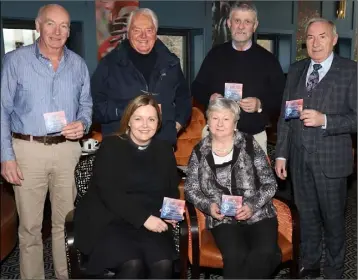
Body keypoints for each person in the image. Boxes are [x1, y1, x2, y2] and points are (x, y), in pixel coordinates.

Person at [0, 4, 92, 279]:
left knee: (66, 223)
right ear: (37, 26)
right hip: (27, 151)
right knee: (30, 227)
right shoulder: (15, 61)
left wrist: (83, 123)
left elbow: (86, 105)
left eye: (64, 26)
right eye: (50, 24)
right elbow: (2, 110)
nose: (57, 31)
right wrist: (6, 156)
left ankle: (65, 274)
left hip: (67, 151)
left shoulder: (78, 64)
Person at [275, 18, 357, 279]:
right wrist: (281, 154)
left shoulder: (351, 71)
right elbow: (285, 117)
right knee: (307, 220)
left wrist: (326, 121)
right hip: (299, 161)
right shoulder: (297, 70)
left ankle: (334, 272)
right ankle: (309, 266)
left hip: (332, 163)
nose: (316, 42)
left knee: (333, 223)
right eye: (310, 37)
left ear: (333, 40)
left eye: (322, 36)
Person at [74, 95, 180, 278]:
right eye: (138, 118)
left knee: (163, 264)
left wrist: (171, 213)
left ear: (158, 123)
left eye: (151, 119)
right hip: (111, 221)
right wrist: (144, 218)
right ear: (129, 121)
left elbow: (172, 188)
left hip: (151, 222)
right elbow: (108, 192)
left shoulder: (164, 150)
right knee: (133, 264)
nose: (145, 125)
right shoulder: (111, 146)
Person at [184, 98, 281, 279]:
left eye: (226, 119)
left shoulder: (250, 144)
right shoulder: (199, 151)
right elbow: (191, 189)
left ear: (235, 123)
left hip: (258, 213)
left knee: (264, 254)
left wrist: (252, 205)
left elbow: (270, 183)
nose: (220, 124)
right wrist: (208, 206)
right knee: (236, 256)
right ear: (208, 121)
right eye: (214, 118)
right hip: (223, 218)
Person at [192, 1, 285, 154]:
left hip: (254, 138)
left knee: (252, 179)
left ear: (254, 26)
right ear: (229, 23)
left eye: (247, 21)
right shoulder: (215, 55)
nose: (241, 26)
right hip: (216, 137)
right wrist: (210, 97)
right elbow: (196, 87)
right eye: (237, 21)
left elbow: (281, 97)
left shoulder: (268, 60)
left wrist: (260, 104)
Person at [91, 8, 191, 146]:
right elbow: (94, 107)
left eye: (149, 30)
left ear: (155, 33)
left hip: (162, 145)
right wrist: (127, 110)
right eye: (137, 30)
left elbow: (184, 99)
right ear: (128, 32)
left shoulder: (171, 63)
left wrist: (175, 127)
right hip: (121, 146)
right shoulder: (109, 64)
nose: (143, 36)